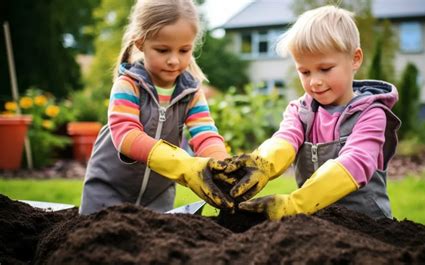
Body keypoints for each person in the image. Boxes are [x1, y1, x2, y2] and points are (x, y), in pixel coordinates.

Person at [220, 5, 401, 220]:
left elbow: (356, 162)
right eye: (304, 72)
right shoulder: (300, 112)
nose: (314, 81)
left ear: (355, 59)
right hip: (318, 222)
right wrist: (261, 165)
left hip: (367, 223)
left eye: (325, 69)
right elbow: (284, 140)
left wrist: (296, 204)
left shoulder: (371, 114)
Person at [79, 0, 234, 215]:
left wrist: (221, 166)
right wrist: (181, 164)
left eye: (184, 50)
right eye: (163, 50)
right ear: (141, 43)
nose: (174, 60)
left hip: (158, 198)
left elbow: (205, 133)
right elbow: (126, 135)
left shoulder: (191, 93)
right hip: (108, 193)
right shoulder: (129, 85)